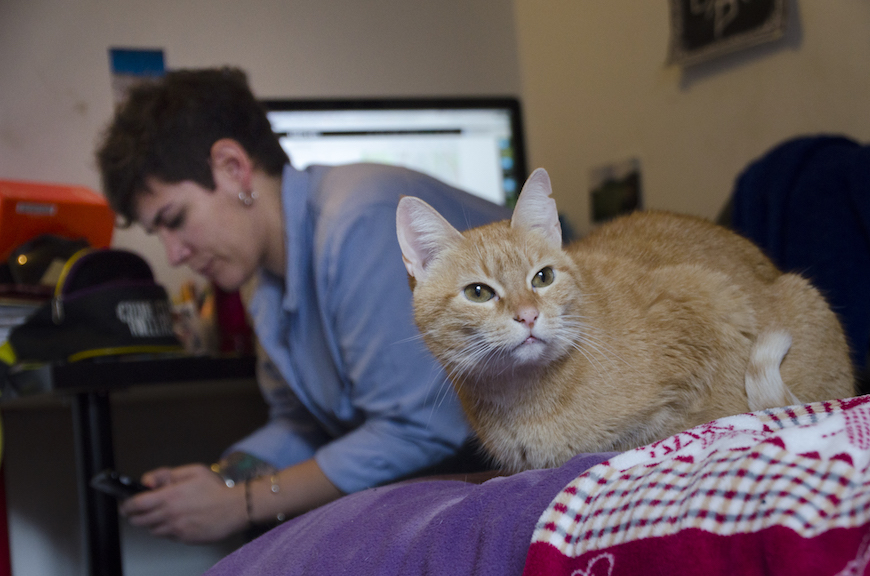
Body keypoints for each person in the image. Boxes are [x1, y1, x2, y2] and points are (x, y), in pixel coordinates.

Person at [94, 66, 511, 543]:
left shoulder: (357, 220)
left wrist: (241, 503)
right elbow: (301, 423)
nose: (173, 254)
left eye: (175, 219)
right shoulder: (262, 278)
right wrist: (224, 476)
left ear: (233, 167)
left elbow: (417, 428)